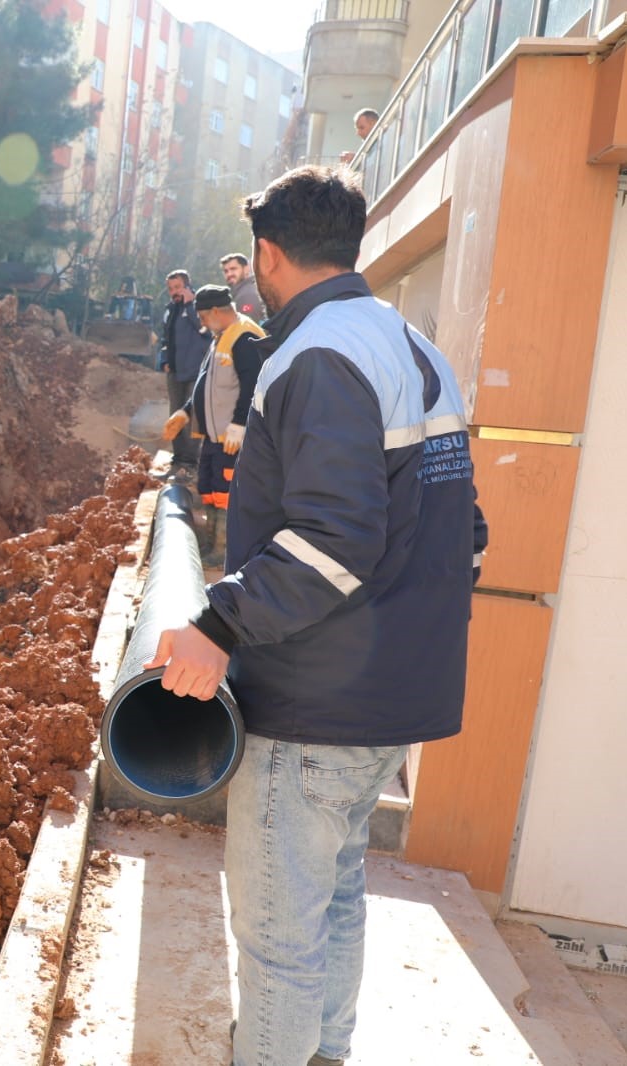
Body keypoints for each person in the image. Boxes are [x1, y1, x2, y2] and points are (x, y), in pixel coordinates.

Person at [145, 165, 487, 1066]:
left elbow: (333, 541)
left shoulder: (316, 356)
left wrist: (217, 627)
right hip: (387, 699)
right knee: (332, 899)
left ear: (265, 255)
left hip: (313, 704)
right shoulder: (411, 348)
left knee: (277, 941)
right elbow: (467, 534)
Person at [162, 284, 264, 567]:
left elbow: (253, 386)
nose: (202, 324)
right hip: (213, 435)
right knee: (208, 486)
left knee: (226, 491)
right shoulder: (221, 337)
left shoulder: (244, 338)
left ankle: (223, 550)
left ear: (217, 311)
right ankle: (208, 543)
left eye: (204, 317)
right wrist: (185, 412)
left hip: (231, 436)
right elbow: (205, 384)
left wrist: (239, 425)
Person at [157, 269, 211, 467]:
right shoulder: (169, 310)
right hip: (175, 372)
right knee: (175, 414)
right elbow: (164, 339)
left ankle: (190, 460)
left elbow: (205, 330)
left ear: (187, 286)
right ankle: (178, 457)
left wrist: (190, 304)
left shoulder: (200, 307)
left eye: (178, 287)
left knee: (192, 416)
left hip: (195, 371)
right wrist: (164, 361)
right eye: (171, 288)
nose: (174, 292)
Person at [219, 252, 266, 321]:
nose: (229, 274)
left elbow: (248, 327)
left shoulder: (247, 295)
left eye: (233, 269)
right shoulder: (240, 292)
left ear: (246, 269)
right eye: (226, 271)